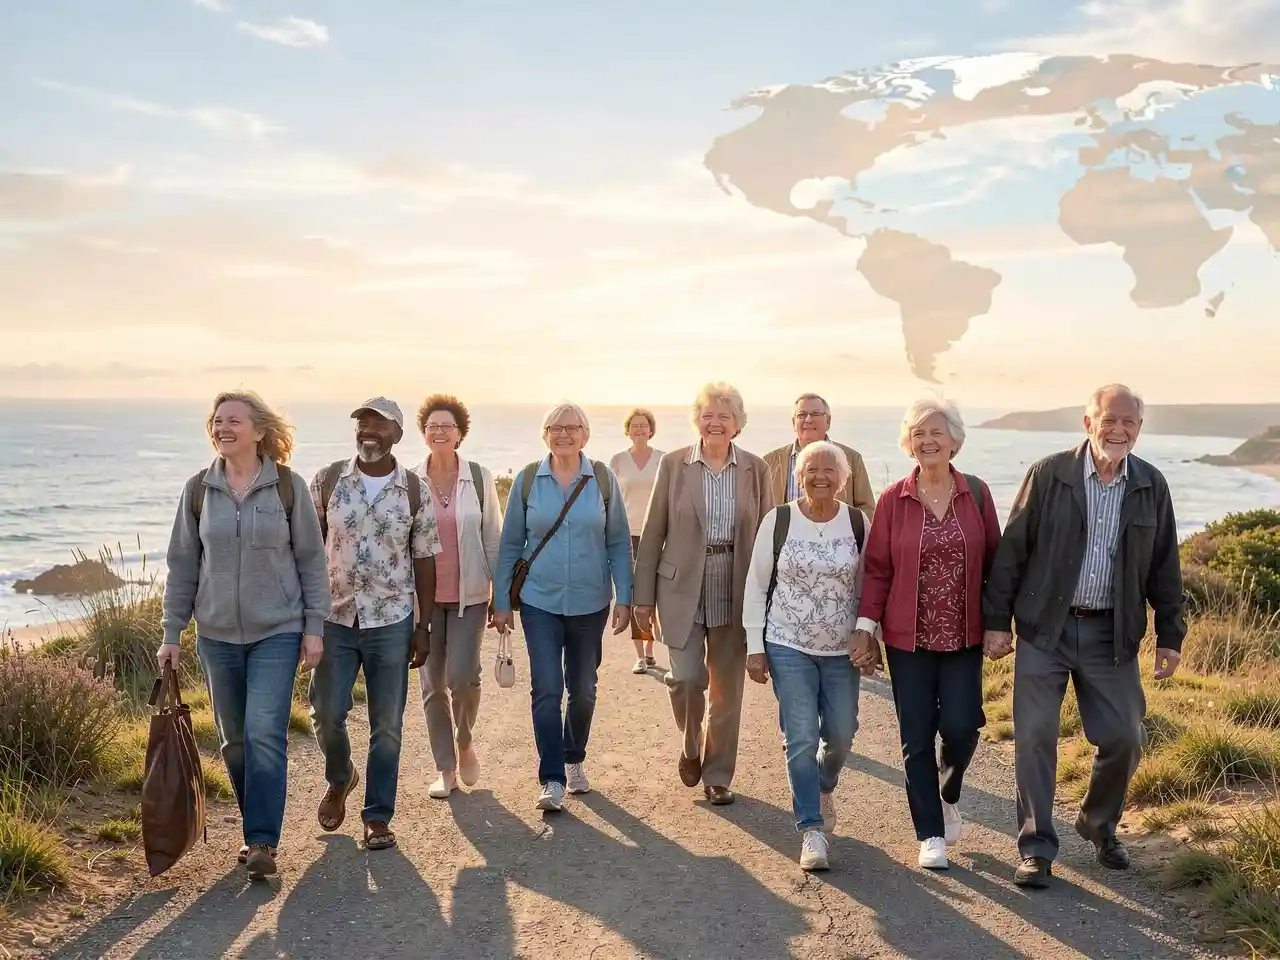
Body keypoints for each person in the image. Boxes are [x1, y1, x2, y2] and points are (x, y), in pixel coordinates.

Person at [983, 383, 1186, 889]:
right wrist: (995, 622)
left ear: (1139, 429)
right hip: (1043, 630)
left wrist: (1170, 634)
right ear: (1088, 421)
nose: (1118, 430)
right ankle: (1035, 848)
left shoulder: (1150, 485)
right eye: (1109, 420)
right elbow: (1013, 550)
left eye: (1129, 423)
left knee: (1124, 737)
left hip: (1111, 634)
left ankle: (1098, 826)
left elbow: (1165, 564)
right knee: (1034, 737)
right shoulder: (1049, 474)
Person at [158, 390, 329, 880]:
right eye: (216, 421)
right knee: (234, 740)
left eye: (233, 420)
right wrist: (172, 632)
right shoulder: (198, 490)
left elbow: (311, 564)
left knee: (263, 733)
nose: (221, 428)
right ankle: (256, 827)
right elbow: (183, 567)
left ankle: (261, 841)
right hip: (215, 636)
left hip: (277, 630)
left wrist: (313, 628)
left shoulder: (287, 488)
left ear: (259, 430)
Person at [850, 397, 1002, 871]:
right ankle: (930, 833)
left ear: (954, 441)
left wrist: (1000, 624)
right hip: (906, 638)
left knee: (962, 725)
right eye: (918, 433)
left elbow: (997, 563)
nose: (927, 440)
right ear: (908, 443)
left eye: (936, 432)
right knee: (915, 735)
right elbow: (876, 569)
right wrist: (865, 628)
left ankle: (948, 790)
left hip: (964, 635)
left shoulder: (975, 494)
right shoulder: (894, 499)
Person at [308, 397, 441, 851]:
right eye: (362, 421)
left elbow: (424, 559)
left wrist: (422, 628)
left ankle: (377, 816)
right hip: (335, 617)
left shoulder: (415, 490)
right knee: (326, 714)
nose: (368, 429)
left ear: (397, 434)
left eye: (378, 423)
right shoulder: (327, 481)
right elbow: (308, 552)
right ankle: (341, 776)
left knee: (387, 723)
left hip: (392, 619)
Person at [634, 382, 775, 806]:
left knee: (727, 690)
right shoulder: (675, 465)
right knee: (686, 679)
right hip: (680, 588)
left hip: (736, 585)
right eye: (708, 415)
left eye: (724, 416)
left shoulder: (756, 469)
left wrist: (770, 597)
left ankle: (717, 774)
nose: (715, 423)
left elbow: (769, 534)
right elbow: (654, 529)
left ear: (738, 424)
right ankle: (691, 742)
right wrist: (643, 596)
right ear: (697, 420)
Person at [491, 403, 633, 812]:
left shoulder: (602, 479)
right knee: (547, 688)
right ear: (545, 434)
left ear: (585, 435)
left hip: (591, 602)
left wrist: (624, 595)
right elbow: (510, 546)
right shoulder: (527, 481)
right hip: (539, 601)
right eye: (555, 428)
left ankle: (574, 757)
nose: (564, 434)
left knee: (584, 689)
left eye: (572, 428)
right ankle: (551, 776)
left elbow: (618, 542)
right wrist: (502, 601)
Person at [743, 441, 870, 871]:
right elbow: (758, 585)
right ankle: (811, 829)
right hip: (787, 642)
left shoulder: (857, 522)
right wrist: (755, 647)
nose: (820, 476)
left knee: (841, 733)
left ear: (844, 478)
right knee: (800, 737)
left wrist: (867, 634)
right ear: (798, 475)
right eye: (811, 469)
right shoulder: (778, 520)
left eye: (829, 470)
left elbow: (871, 585)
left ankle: (822, 785)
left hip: (840, 649)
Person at [413, 394, 502, 800]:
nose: (439, 432)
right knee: (433, 685)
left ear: (460, 433)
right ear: (424, 432)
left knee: (464, 678)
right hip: (422, 602)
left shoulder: (480, 479)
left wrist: (501, 599)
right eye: (432, 426)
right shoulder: (409, 480)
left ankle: (465, 741)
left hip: (470, 597)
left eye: (447, 426)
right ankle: (445, 767)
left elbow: (493, 540)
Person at [609, 407, 666, 674]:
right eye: (635, 426)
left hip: (657, 535)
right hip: (627, 535)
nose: (640, 429)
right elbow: (609, 500)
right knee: (633, 595)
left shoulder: (663, 460)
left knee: (653, 593)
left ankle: (652, 648)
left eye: (644, 425)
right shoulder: (618, 460)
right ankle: (641, 655)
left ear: (651, 430)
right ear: (628, 430)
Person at [763, 392, 876, 517]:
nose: (808, 419)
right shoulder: (769, 461)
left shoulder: (852, 459)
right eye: (802, 415)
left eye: (816, 414)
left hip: (835, 535)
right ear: (793, 422)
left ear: (828, 421)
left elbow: (867, 508)